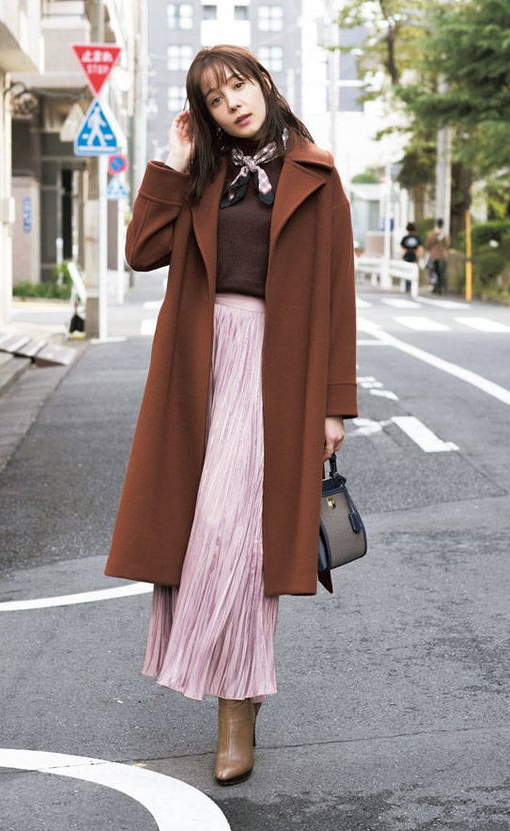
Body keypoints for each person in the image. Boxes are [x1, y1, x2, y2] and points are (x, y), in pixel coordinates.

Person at [104, 45, 358, 786]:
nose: (232, 105)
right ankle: (237, 685)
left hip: (275, 372)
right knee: (195, 534)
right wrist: (176, 160)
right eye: (214, 100)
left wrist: (334, 406)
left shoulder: (316, 175)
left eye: (239, 87)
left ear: (265, 84)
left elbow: (338, 296)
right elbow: (142, 251)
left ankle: (235, 712)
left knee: (235, 534)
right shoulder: (204, 176)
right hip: (198, 365)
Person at [425, 217, 450, 294]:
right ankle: (440, 288)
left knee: (434, 272)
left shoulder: (431, 234)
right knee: (441, 273)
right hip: (442, 256)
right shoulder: (444, 235)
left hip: (433, 256)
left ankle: (435, 287)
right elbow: (447, 245)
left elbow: (427, 245)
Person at [400, 222, 422, 293]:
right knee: (414, 272)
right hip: (414, 257)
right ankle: (412, 286)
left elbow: (402, 248)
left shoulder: (405, 238)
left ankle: (407, 287)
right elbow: (419, 249)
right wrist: (419, 257)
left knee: (407, 272)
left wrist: (402, 256)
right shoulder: (417, 238)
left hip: (406, 256)